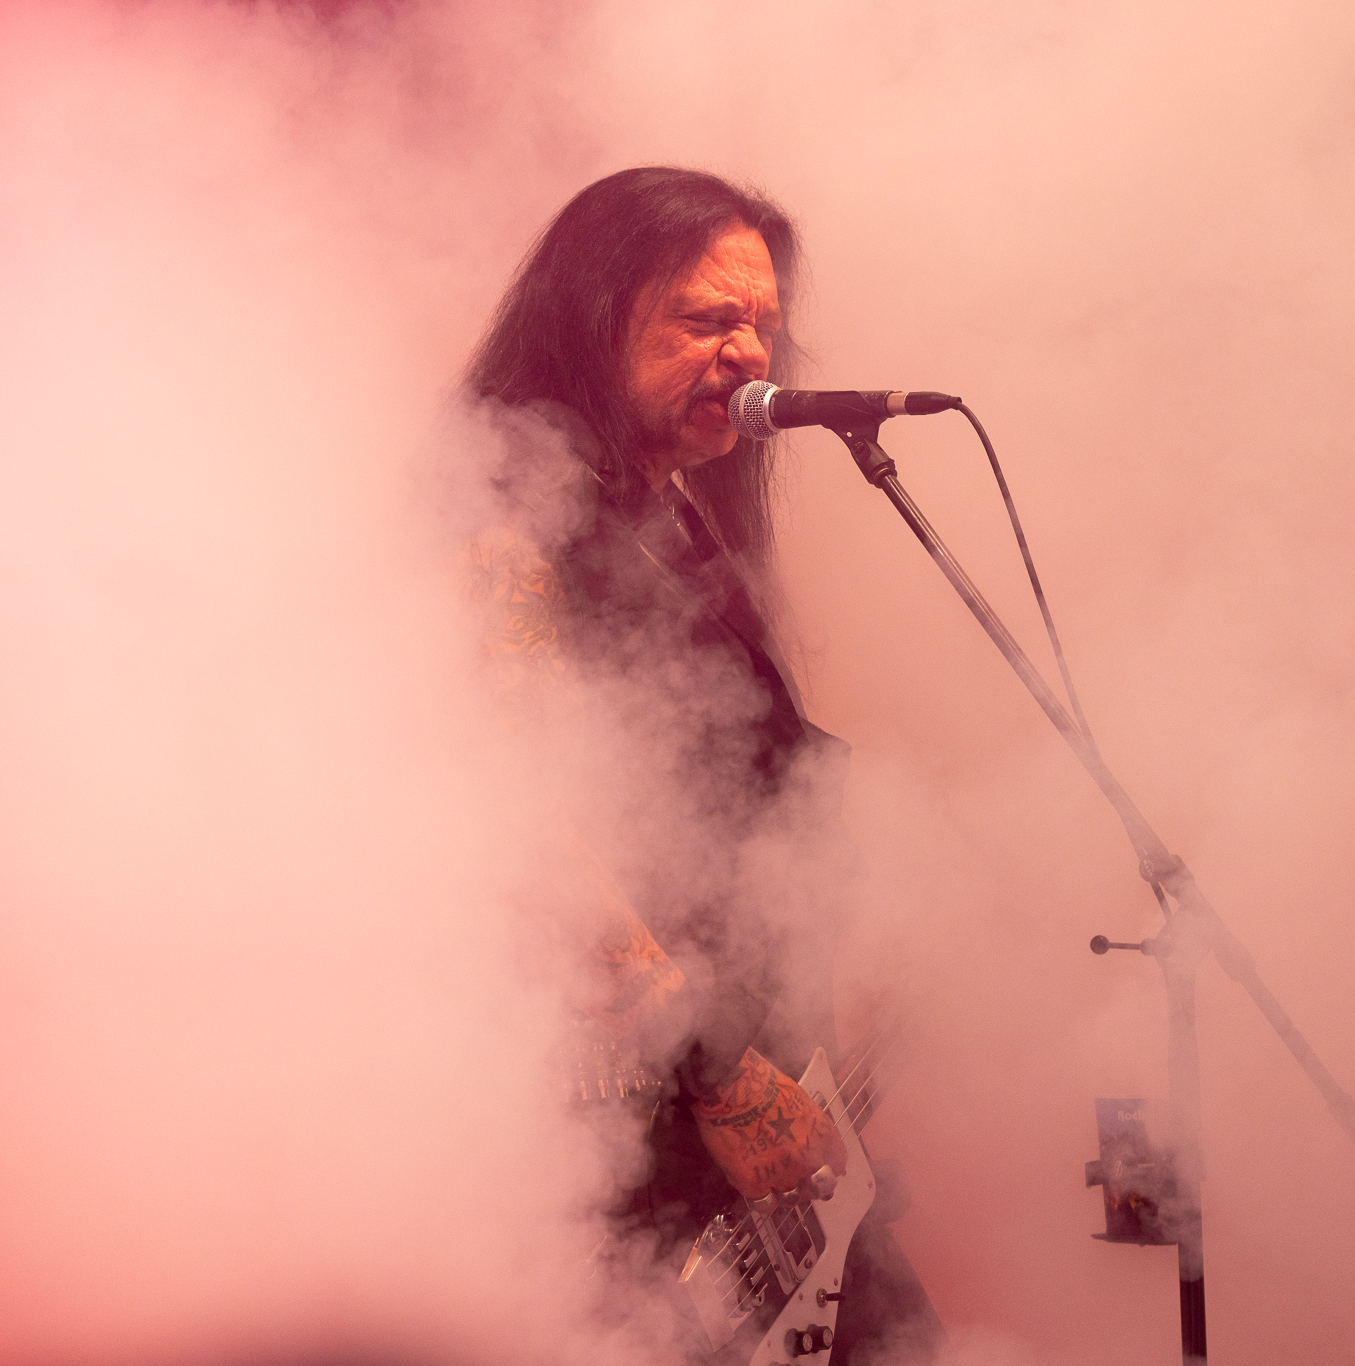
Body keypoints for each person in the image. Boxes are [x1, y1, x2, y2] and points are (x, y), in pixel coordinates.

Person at [462, 167, 942, 1364]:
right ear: (592, 317)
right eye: (705, 319)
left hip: (749, 1096)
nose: (747, 354)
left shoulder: (672, 518)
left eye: (762, 324)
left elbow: (735, 778)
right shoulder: (501, 511)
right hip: (633, 1135)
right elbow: (513, 820)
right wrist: (722, 1071)